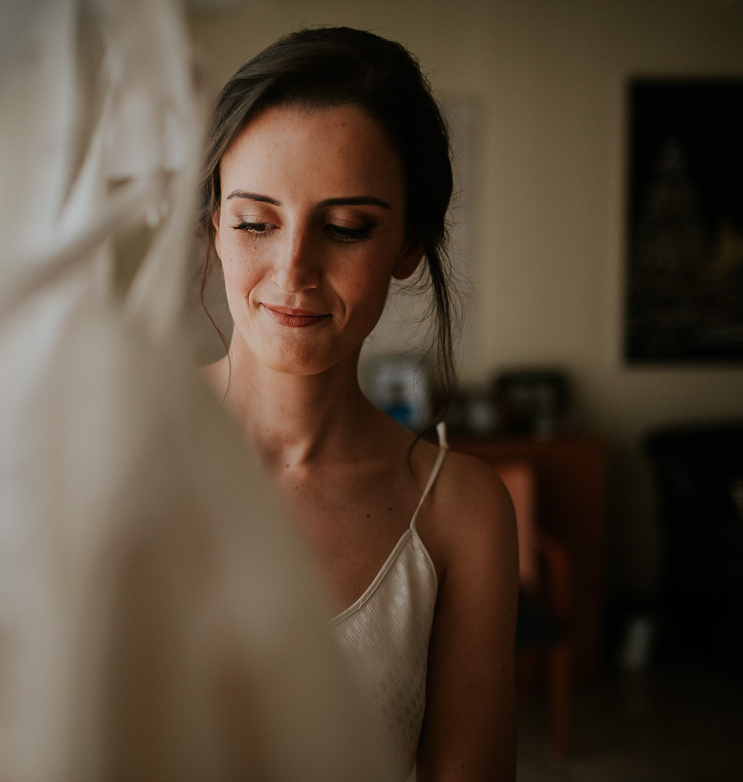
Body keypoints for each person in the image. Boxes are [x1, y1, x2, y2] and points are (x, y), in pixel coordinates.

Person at [197, 27, 519, 781]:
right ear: (214, 222)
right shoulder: (100, 442)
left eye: (346, 228)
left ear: (408, 243)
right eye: (254, 222)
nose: (292, 270)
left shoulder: (456, 512)